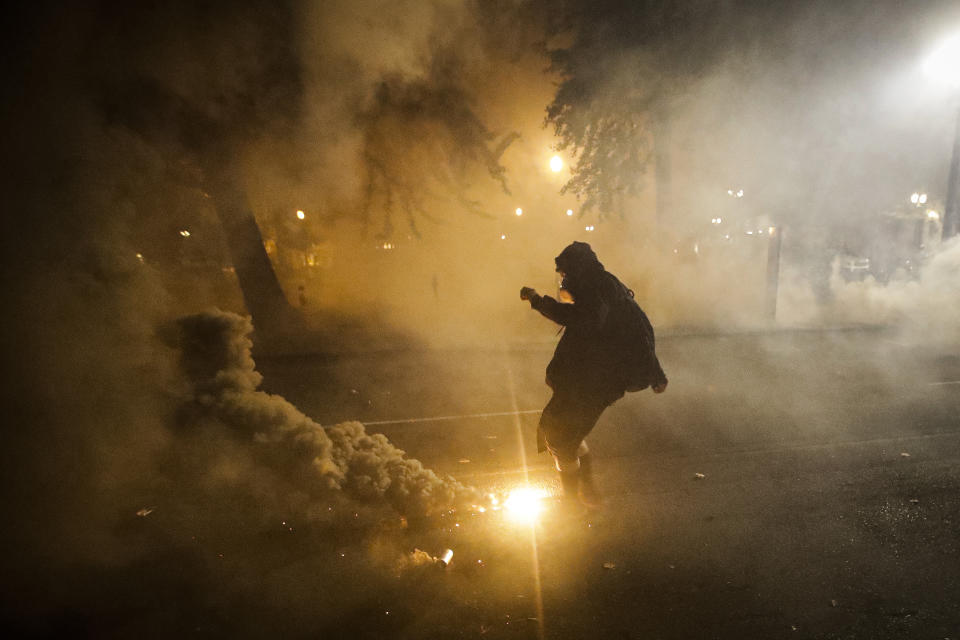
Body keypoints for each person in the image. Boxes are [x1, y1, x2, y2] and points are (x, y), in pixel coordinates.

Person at [520, 241, 667, 508]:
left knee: (560, 434)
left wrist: (538, 301)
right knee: (563, 431)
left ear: (577, 270)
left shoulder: (597, 291)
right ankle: (582, 490)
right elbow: (639, 329)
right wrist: (656, 373)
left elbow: (586, 320)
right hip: (589, 379)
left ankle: (574, 501)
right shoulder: (602, 286)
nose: (563, 280)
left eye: (565, 274)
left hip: (597, 381)